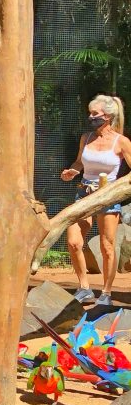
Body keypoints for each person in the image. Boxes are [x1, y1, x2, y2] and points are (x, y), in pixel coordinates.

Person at [61, 95, 131, 305]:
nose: (90, 117)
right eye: (90, 113)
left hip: (107, 195)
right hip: (84, 193)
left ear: (107, 116)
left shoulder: (122, 142)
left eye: (95, 114)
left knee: (106, 245)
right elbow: (79, 162)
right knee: (73, 241)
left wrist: (119, 190)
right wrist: (72, 171)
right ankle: (84, 288)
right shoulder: (87, 138)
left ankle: (106, 293)